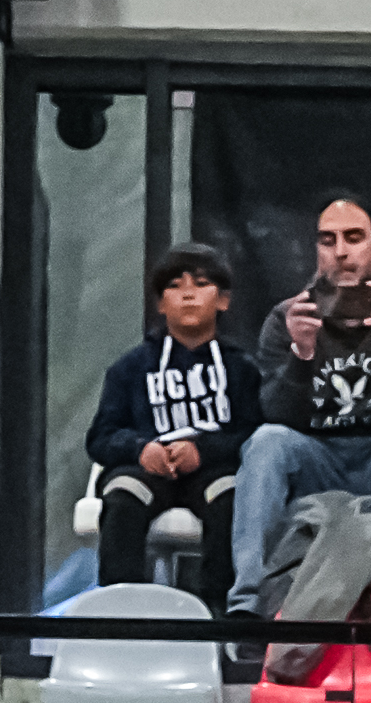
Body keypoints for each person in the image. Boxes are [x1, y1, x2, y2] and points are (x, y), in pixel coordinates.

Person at [229, 199, 371, 608]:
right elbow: (278, 415)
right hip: (317, 461)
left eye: (354, 238)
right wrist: (302, 355)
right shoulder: (289, 316)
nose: (340, 251)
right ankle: (248, 601)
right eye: (328, 240)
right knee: (267, 441)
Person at [77, 243, 247, 595]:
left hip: (215, 471)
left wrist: (204, 451)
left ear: (223, 300)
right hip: (145, 470)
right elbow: (100, 438)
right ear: (160, 304)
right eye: (174, 286)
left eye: (200, 284)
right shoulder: (129, 368)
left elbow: (256, 434)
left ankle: (222, 617)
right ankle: (121, 614)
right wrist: (141, 450)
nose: (187, 295)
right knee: (123, 495)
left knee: (233, 499)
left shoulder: (243, 370)